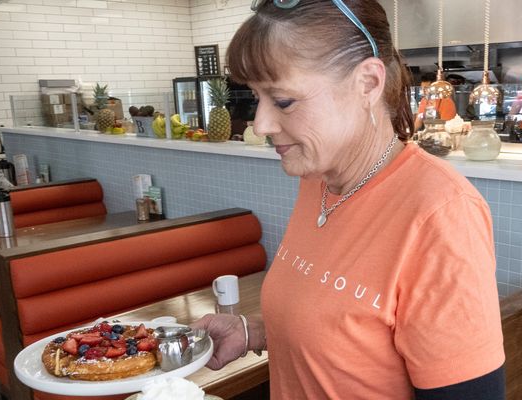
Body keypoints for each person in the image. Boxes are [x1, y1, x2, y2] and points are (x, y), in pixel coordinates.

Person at [189, 1, 505, 399]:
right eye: (256, 97)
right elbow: (346, 330)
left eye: (283, 101)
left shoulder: (440, 214)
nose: (262, 123)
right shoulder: (318, 179)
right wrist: (252, 331)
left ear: (368, 83)